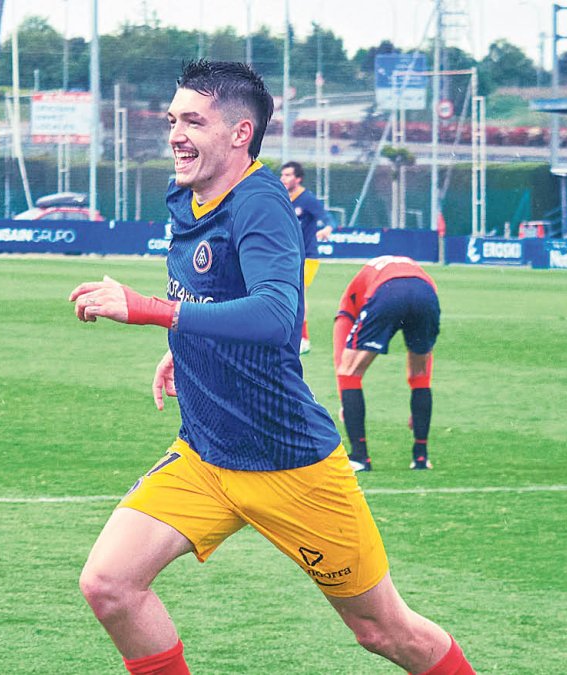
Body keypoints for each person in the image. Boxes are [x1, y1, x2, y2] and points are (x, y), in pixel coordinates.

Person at [69, 60, 473, 675]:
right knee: (109, 585)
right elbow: (208, 295)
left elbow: (275, 314)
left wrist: (152, 312)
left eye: (194, 121)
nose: (175, 133)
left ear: (239, 133)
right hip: (205, 455)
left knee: (385, 631)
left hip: (289, 462)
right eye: (174, 119)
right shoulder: (186, 193)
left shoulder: (260, 203)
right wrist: (184, 352)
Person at [333, 256, 440, 473]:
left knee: (349, 372)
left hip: (387, 291)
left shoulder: (349, 300)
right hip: (426, 293)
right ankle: (421, 456)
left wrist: (344, 397)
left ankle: (360, 457)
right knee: (419, 375)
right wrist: (419, 410)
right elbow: (425, 358)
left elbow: (343, 358)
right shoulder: (412, 268)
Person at [279, 160, 333, 355]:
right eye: (282, 174)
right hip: (287, 257)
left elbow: (327, 218)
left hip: (307, 257)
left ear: (298, 178)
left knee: (298, 295)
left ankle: (304, 340)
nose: (283, 178)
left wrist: (327, 228)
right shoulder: (282, 197)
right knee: (287, 295)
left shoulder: (307, 199)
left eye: (287, 175)